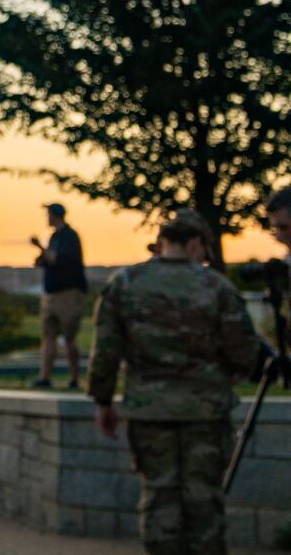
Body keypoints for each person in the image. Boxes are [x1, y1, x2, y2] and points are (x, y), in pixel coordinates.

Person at [88, 209, 260, 554]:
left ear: (162, 243)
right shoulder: (215, 285)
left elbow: (106, 350)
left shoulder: (125, 283)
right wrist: (234, 370)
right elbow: (243, 348)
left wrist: (104, 401)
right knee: (204, 502)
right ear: (196, 243)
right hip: (205, 411)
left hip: (149, 411)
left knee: (159, 497)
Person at [32, 201, 89, 388]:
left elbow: (59, 259)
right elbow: (48, 259)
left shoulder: (70, 236)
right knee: (48, 336)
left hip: (68, 294)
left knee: (68, 337)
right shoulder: (55, 237)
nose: (46, 218)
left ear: (56, 215)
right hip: (51, 293)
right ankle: (44, 377)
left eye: (48, 214)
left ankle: (74, 378)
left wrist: (39, 247)